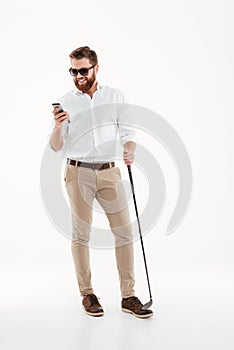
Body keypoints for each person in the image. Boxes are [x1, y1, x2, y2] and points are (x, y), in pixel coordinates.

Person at [49, 46, 153, 318]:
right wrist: (58, 126)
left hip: (109, 172)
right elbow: (56, 147)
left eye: (83, 70)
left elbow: (128, 132)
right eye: (73, 70)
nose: (79, 75)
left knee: (124, 232)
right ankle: (87, 293)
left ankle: (128, 296)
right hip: (78, 172)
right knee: (81, 234)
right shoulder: (65, 100)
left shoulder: (116, 96)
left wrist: (129, 148)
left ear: (96, 68)